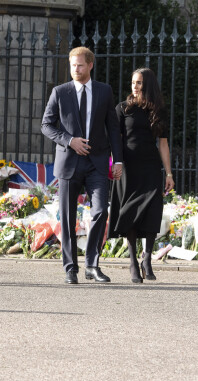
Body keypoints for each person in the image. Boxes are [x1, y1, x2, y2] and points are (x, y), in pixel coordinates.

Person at [42, 46, 123, 284]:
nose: (75, 69)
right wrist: (70, 141)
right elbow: (46, 125)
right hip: (69, 162)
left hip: (97, 162)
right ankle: (70, 268)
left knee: (100, 211)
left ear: (90, 65)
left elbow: (113, 128)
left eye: (79, 65)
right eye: (72, 65)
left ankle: (92, 265)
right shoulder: (60, 92)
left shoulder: (104, 91)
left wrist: (117, 160)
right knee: (67, 218)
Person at [107, 68, 174, 283]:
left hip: (151, 167)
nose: (135, 87)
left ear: (148, 86)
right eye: (133, 82)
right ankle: (133, 262)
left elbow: (163, 144)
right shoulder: (122, 109)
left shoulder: (158, 111)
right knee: (130, 213)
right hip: (128, 168)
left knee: (152, 210)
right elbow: (115, 140)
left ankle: (147, 258)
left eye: (139, 83)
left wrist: (169, 173)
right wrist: (115, 163)